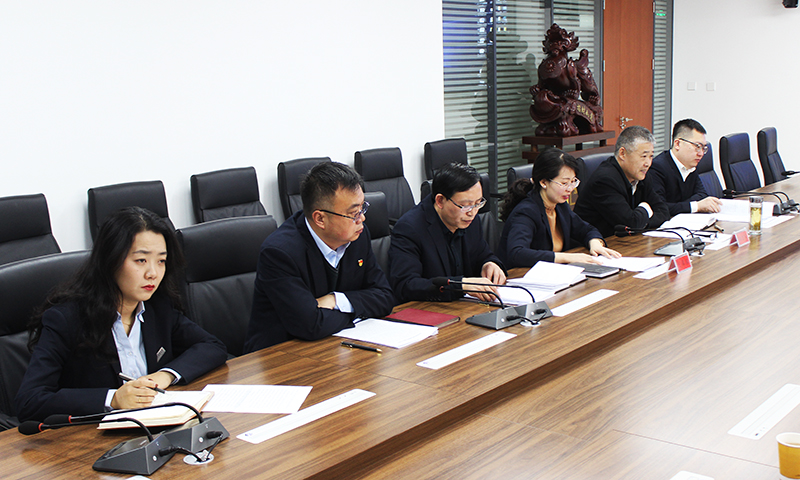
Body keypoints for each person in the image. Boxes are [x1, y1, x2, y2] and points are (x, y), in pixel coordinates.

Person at [15, 207, 227, 422]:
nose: (153, 273)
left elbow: (212, 346)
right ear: (111, 260)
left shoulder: (157, 306)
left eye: (161, 261)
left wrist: (164, 376)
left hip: (154, 424)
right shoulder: (67, 319)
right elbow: (29, 401)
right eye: (141, 260)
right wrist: (113, 399)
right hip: (92, 435)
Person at [244, 162, 394, 352]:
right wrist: (359, 311)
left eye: (362, 209)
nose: (362, 219)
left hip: (337, 345)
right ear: (320, 219)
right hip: (281, 355)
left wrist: (335, 301)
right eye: (353, 213)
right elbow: (309, 324)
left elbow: (385, 297)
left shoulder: (357, 236)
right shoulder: (280, 253)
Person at [389, 162, 506, 304]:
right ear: (440, 201)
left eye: (478, 203)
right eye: (465, 205)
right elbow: (406, 285)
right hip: (431, 309)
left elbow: (483, 254)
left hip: (467, 307)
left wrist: (489, 264)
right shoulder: (410, 228)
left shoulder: (469, 219)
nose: (473, 212)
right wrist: (460, 285)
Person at [497, 148, 621, 268]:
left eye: (573, 181)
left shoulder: (560, 206)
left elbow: (587, 229)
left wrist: (595, 243)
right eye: (564, 183)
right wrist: (567, 257)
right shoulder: (526, 211)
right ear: (543, 182)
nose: (570, 189)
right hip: (520, 276)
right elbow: (517, 253)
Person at [574, 125, 670, 238]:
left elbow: (664, 212)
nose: (648, 163)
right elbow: (630, 223)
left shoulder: (642, 175)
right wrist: (645, 208)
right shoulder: (605, 180)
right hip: (596, 243)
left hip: (626, 240)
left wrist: (642, 222)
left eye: (651, 156)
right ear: (622, 153)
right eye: (643, 156)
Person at [649, 118, 722, 216]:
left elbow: (702, 195)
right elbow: (660, 208)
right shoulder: (657, 168)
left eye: (703, 148)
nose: (701, 153)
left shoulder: (691, 165)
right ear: (677, 144)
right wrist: (695, 206)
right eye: (697, 146)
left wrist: (680, 206)